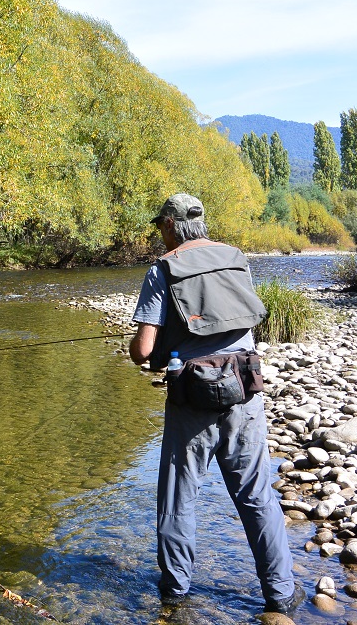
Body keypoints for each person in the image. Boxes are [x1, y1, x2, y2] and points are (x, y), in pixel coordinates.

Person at [128, 193, 304, 615]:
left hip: (193, 400)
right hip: (244, 391)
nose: (160, 232)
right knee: (257, 495)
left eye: (160, 225)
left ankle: (174, 595)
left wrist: (142, 348)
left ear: (170, 225)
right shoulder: (235, 257)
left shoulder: (163, 269)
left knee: (177, 498)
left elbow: (142, 350)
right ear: (201, 222)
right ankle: (281, 595)